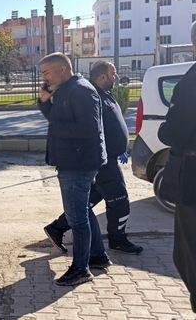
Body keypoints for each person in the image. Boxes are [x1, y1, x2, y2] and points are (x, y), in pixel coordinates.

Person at [44, 61, 144, 255]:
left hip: (110, 157)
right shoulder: (90, 95)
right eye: (113, 73)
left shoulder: (105, 93)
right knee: (120, 202)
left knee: (85, 202)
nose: (116, 77)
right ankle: (117, 240)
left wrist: (122, 146)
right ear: (102, 76)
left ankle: (56, 228)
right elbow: (87, 129)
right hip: (102, 161)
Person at [37, 52, 110, 286]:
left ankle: (81, 268)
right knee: (83, 211)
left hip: (78, 164)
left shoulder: (81, 90)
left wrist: (56, 128)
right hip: (72, 161)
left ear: (62, 69)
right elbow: (56, 119)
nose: (44, 77)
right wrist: (44, 101)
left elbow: (88, 129)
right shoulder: (67, 89)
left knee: (76, 217)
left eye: (46, 72)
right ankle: (97, 256)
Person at [157, 21, 196, 311]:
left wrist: (164, 131)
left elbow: (175, 132)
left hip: (192, 180)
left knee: (188, 253)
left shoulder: (191, 82)